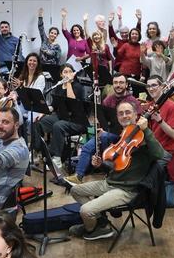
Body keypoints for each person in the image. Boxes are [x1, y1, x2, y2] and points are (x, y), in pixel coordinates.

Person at [68, 100, 164, 241]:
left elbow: (159, 155)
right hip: (110, 183)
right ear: (117, 117)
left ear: (136, 115)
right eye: (121, 113)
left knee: (85, 210)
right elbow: (117, 167)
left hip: (126, 190)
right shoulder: (124, 135)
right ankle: (100, 223)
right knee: (75, 190)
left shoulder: (143, 138)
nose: (124, 116)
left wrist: (147, 130)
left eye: (128, 112)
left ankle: (92, 230)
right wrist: (100, 164)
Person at [67, 73, 140, 184]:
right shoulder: (109, 99)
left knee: (104, 136)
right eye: (115, 82)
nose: (118, 85)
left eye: (121, 82)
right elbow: (102, 116)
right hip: (109, 133)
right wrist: (98, 121)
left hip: (126, 137)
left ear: (126, 85)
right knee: (87, 147)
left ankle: (108, 172)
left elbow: (138, 122)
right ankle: (78, 175)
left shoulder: (133, 101)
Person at [33, 65, 86, 182]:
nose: (67, 73)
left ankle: (56, 159)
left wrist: (68, 84)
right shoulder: (58, 87)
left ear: (74, 74)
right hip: (61, 117)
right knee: (38, 121)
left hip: (76, 120)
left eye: (70, 71)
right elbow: (54, 105)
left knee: (58, 126)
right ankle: (38, 152)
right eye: (65, 72)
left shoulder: (78, 87)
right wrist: (44, 112)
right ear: (61, 75)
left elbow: (72, 102)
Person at [145, 75, 174, 191]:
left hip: (164, 151)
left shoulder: (172, 106)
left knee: (147, 171)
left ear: (163, 87)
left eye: (154, 85)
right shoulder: (150, 105)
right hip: (151, 148)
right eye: (148, 86)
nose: (151, 88)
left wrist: (159, 120)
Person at [109, 9, 143, 78]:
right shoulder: (118, 42)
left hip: (135, 71)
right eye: (122, 33)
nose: (124, 34)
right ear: (120, 34)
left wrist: (139, 20)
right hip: (121, 70)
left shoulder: (133, 42)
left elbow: (136, 32)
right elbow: (112, 35)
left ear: (129, 33)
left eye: (126, 32)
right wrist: (110, 23)